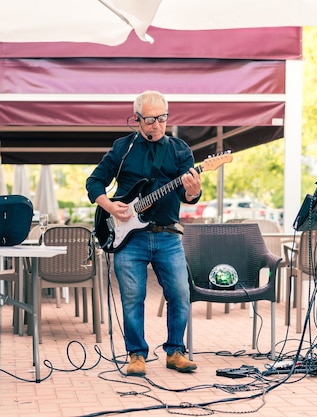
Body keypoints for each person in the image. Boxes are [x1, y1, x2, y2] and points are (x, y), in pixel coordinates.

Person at [86, 90, 202, 376]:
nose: (157, 125)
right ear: (136, 119)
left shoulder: (179, 149)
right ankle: (136, 355)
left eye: (162, 118)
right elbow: (94, 182)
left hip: (168, 235)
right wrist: (110, 206)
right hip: (129, 237)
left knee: (180, 293)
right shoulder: (122, 148)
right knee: (132, 297)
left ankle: (176, 351)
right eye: (150, 119)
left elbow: (190, 196)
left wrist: (194, 191)